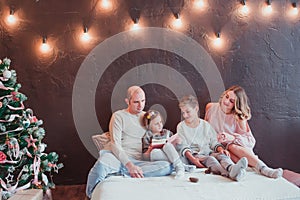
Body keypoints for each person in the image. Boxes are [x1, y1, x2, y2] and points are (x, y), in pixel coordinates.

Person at [86, 86, 173, 198]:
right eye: (136, 102)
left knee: (166, 166)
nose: (140, 105)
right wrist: (129, 165)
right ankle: (89, 195)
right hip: (116, 157)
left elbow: (159, 133)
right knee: (100, 166)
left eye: (143, 101)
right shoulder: (118, 116)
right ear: (127, 101)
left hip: (137, 160)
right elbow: (114, 144)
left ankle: (120, 173)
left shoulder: (147, 116)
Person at [204, 85, 283, 179]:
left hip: (235, 150)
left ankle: (264, 169)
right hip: (216, 148)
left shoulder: (238, 117)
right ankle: (241, 171)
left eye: (231, 101)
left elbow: (250, 142)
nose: (226, 101)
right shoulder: (210, 107)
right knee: (226, 151)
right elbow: (204, 130)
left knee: (231, 146)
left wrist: (232, 137)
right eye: (227, 96)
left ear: (236, 104)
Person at [176, 95, 248, 181]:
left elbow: (214, 142)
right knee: (211, 159)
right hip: (195, 155)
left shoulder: (206, 125)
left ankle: (232, 168)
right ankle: (228, 174)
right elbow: (183, 146)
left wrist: (221, 149)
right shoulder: (181, 126)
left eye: (188, 112)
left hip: (208, 152)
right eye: (183, 112)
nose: (185, 115)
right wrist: (193, 159)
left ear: (196, 109)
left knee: (222, 156)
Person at [141, 110, 185, 179]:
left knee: (167, 145)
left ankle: (179, 167)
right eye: (156, 124)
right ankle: (181, 165)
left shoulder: (167, 133)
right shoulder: (147, 136)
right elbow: (144, 156)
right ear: (148, 126)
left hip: (170, 152)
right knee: (154, 152)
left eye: (160, 122)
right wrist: (150, 148)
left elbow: (175, 149)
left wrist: (178, 142)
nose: (160, 125)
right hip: (158, 156)